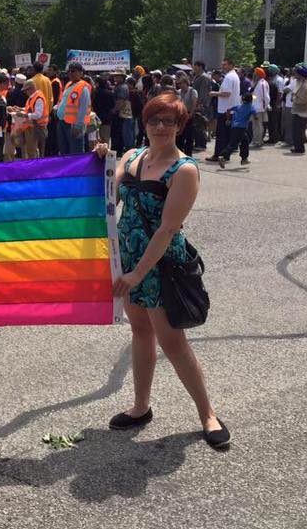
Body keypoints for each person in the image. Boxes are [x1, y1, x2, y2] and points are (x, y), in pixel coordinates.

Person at [94, 93, 229, 449]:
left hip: (160, 264)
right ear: (145, 122)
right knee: (140, 330)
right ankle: (141, 407)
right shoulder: (132, 156)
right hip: (127, 259)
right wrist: (102, 160)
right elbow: (110, 190)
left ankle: (208, 414)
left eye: (169, 121)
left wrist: (138, 273)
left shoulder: (183, 170)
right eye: (155, 119)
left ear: (180, 126)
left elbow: (168, 229)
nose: (161, 126)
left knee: (173, 342)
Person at [54, 62, 91, 155]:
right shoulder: (68, 85)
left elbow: (83, 108)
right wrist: (57, 108)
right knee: (64, 151)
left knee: (76, 152)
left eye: (73, 71)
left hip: (74, 125)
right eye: (69, 71)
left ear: (81, 73)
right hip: (62, 122)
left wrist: (78, 126)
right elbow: (64, 101)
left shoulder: (83, 87)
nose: (70, 73)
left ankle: (77, 170)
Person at [206, 58, 240, 161]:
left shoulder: (229, 77)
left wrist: (214, 93)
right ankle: (224, 155)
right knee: (227, 134)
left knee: (221, 135)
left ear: (231, 65)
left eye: (225, 65)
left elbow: (227, 93)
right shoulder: (234, 76)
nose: (223, 67)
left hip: (225, 110)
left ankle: (218, 155)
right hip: (230, 109)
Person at [218, 92, 254, 167]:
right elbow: (255, 115)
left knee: (245, 141)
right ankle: (223, 157)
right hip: (242, 128)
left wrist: (228, 119)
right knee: (233, 144)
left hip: (234, 127)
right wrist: (255, 118)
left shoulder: (238, 106)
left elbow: (228, 110)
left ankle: (244, 159)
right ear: (250, 100)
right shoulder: (250, 107)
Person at [290, 65, 307, 154]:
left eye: (296, 74)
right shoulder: (303, 83)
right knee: (299, 131)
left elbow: (303, 100)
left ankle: (299, 148)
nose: (295, 76)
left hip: (302, 111)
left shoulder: (305, 86)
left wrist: (294, 99)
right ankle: (298, 146)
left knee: (297, 131)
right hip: (301, 111)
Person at [176, 73, 198, 156]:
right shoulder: (178, 92)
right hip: (180, 115)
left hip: (189, 115)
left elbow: (194, 103)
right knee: (179, 136)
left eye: (181, 83)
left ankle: (188, 154)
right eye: (178, 84)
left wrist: (191, 114)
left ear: (186, 83)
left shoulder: (192, 91)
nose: (180, 85)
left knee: (189, 136)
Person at [250, 67, 270, 148]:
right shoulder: (256, 83)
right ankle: (256, 140)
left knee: (258, 125)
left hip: (259, 108)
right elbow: (255, 96)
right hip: (255, 106)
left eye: (255, 73)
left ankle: (258, 141)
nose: (253, 74)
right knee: (255, 125)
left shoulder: (262, 84)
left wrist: (265, 106)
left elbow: (266, 97)